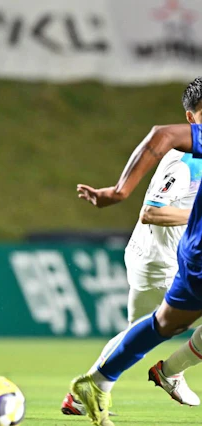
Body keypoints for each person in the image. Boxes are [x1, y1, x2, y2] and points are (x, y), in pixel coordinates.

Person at [69, 77, 202, 426]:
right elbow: (151, 212)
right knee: (150, 328)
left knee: (144, 330)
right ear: (192, 118)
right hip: (163, 261)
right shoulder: (184, 162)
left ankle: (88, 391)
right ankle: (168, 372)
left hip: (171, 256)